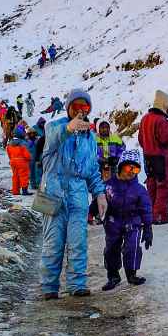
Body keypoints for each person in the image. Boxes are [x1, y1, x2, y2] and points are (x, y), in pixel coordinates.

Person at [40, 89, 107, 299]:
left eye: (84, 106)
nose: (80, 110)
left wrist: (99, 192)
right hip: (51, 193)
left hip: (78, 196)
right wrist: (68, 129)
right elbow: (52, 139)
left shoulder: (90, 138)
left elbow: (92, 169)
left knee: (78, 242)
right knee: (53, 244)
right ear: (68, 107)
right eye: (76, 106)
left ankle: (77, 284)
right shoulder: (54, 127)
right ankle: (49, 288)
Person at [102, 150, 153, 289]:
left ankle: (131, 274)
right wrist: (92, 212)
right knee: (112, 248)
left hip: (132, 220)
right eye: (128, 167)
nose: (132, 172)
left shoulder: (139, 189)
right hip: (113, 221)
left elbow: (146, 209)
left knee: (132, 247)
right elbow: (99, 200)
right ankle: (113, 275)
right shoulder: (109, 185)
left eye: (135, 169)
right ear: (120, 166)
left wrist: (148, 227)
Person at [138, 90, 168, 225]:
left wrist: (149, 146)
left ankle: (149, 215)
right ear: (163, 104)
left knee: (151, 187)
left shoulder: (145, 118)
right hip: (162, 159)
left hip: (148, 158)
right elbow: (166, 139)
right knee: (164, 188)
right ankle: (159, 216)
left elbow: (141, 140)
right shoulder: (162, 121)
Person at [6, 130, 32, 196]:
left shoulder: (9, 144)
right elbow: (27, 155)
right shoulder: (22, 144)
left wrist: (12, 159)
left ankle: (15, 191)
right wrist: (29, 159)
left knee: (15, 176)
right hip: (22, 162)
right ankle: (24, 191)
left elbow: (8, 154)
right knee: (24, 176)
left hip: (13, 161)